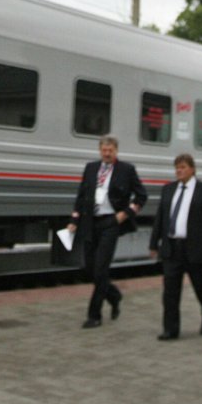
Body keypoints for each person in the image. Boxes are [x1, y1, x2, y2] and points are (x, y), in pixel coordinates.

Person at [68, 136, 147, 329]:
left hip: (110, 223)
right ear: (100, 150)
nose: (107, 153)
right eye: (104, 150)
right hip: (89, 222)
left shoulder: (126, 170)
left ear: (116, 151)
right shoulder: (91, 168)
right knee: (89, 268)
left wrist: (125, 214)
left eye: (110, 150)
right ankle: (113, 295)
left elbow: (141, 196)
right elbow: (81, 196)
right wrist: (74, 220)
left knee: (101, 268)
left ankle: (94, 315)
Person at [149, 153, 202, 340]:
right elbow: (160, 218)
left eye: (182, 167)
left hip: (196, 249)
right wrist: (154, 243)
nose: (179, 171)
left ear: (192, 169)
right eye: (177, 168)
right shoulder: (168, 190)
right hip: (172, 248)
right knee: (170, 293)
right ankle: (171, 330)